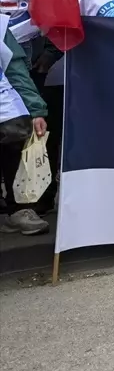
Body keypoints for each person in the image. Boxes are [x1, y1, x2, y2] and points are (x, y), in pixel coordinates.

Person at [0, 22, 50, 235]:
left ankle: (19, 211)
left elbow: (16, 69)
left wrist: (36, 109)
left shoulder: (0, 26)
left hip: (4, 104)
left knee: (16, 142)